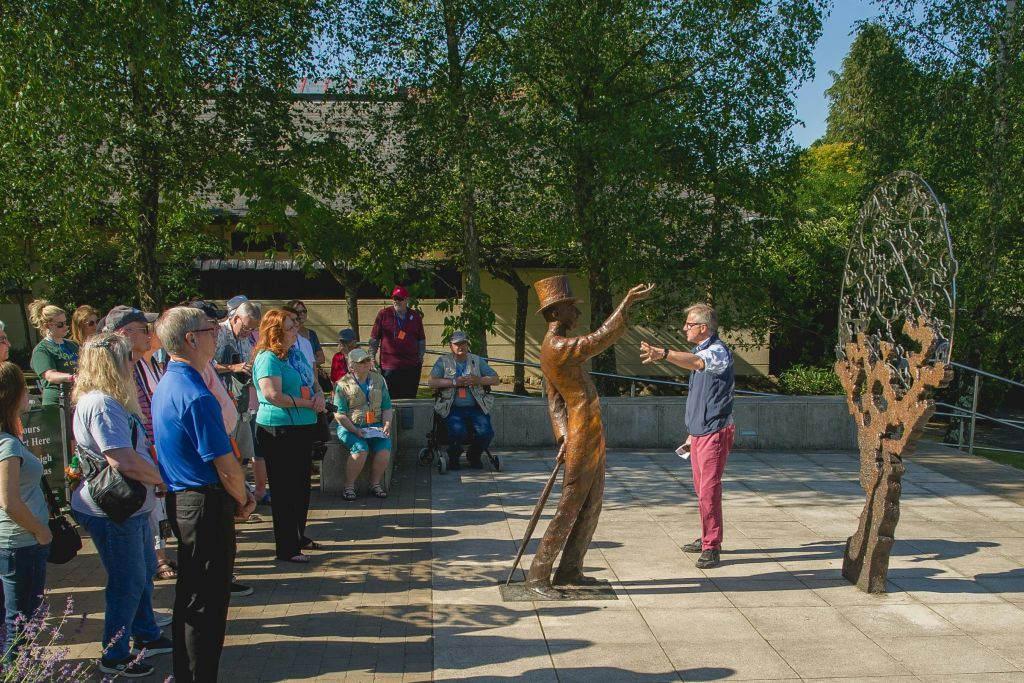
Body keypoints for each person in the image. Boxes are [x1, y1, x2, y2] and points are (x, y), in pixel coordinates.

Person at [525, 276, 654, 598]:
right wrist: (626, 302)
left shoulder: (555, 345)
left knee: (591, 503)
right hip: (583, 428)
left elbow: (553, 400)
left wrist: (561, 435)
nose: (577, 314)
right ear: (556, 313)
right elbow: (601, 338)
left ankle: (570, 569)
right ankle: (539, 576)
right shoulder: (557, 346)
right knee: (570, 504)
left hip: (585, 430)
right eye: (571, 308)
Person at [151, 307, 255, 683]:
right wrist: (244, 498)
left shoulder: (171, 383)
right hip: (203, 503)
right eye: (211, 329)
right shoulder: (195, 393)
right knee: (206, 608)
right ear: (191, 339)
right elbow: (225, 465)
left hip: (188, 502)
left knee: (194, 600)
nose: (217, 333)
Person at [71, 334, 171, 677]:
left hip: (129, 506)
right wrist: (159, 479)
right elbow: (121, 459)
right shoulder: (101, 403)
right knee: (127, 582)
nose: (135, 363)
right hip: (112, 508)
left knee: (141, 574)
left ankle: (145, 633)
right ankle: (114, 653)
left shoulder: (110, 400)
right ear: (112, 364)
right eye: (129, 357)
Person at [640, 303, 735, 569]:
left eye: (689, 324)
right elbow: (700, 397)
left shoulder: (717, 352)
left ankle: (712, 546)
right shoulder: (702, 349)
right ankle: (707, 537)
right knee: (701, 490)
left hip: (715, 432)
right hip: (701, 432)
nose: (685, 328)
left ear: (703, 328)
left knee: (708, 491)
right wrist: (691, 434)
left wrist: (664, 354)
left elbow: (698, 363)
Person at [252, 308, 323, 562]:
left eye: (295, 325)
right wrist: (307, 404)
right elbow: (272, 394)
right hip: (279, 430)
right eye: (290, 327)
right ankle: (287, 547)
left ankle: (298, 535)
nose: (296, 330)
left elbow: (312, 379)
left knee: (302, 486)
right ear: (276, 331)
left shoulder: (295, 354)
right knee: (284, 489)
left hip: (303, 427)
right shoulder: (267, 357)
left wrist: (319, 395)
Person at [0, 362, 51, 661]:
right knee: (21, 620)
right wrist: (40, 530)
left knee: (18, 618)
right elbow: (9, 501)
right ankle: (16, 671)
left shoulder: (9, 439)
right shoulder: (7, 445)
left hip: (16, 542)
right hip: (21, 543)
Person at [427, 331, 498, 470]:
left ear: (468, 345)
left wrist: (478, 380)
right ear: (450, 346)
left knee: (486, 432)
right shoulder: (443, 361)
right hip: (451, 407)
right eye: (457, 343)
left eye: (463, 343)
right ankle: (453, 456)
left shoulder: (477, 360)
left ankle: (474, 455)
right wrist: (454, 382)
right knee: (458, 431)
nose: (461, 346)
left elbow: (495, 379)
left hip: (476, 406)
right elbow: (431, 382)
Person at [214, 301, 263, 501]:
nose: (248, 332)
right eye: (246, 327)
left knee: (241, 453)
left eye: (253, 329)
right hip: (221, 403)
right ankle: (229, 498)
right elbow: (208, 366)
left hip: (241, 403)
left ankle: (238, 498)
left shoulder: (247, 338)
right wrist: (233, 368)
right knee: (227, 455)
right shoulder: (217, 334)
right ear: (235, 318)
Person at [333, 348, 392, 500]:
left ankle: (375, 484)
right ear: (352, 366)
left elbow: (386, 407)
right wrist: (354, 430)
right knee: (361, 449)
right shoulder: (342, 384)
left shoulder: (379, 380)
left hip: (374, 426)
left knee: (384, 448)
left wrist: (386, 424)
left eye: (367, 360)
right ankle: (349, 487)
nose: (366, 363)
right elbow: (339, 414)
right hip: (351, 426)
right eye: (362, 362)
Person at [368, 286, 425, 399]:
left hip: (411, 367)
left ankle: (407, 417)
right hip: (389, 367)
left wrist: (420, 356)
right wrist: (372, 357)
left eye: (400, 298)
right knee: (390, 400)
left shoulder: (415, 316)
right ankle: (391, 418)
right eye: (394, 298)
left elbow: (421, 339)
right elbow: (374, 338)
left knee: (409, 400)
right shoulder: (384, 314)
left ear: (406, 299)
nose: (396, 301)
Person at [28, 299, 78, 407]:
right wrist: (72, 377)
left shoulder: (72, 345)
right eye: (60, 324)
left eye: (65, 323)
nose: (65, 327)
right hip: (56, 404)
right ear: (47, 326)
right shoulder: (41, 350)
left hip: (76, 399)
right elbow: (49, 375)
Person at [285, 300, 324, 370]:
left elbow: (321, 358)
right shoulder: (287, 335)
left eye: (304, 311)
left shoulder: (312, 334)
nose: (302, 314)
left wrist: (309, 362)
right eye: (299, 312)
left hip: (310, 373)